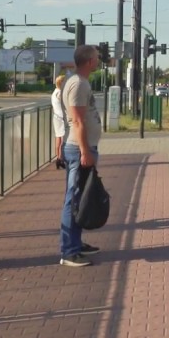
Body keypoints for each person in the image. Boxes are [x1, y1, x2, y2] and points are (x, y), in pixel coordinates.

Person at [59, 45, 103, 267]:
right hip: (78, 149)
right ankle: (69, 251)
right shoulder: (77, 84)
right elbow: (77, 121)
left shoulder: (80, 82)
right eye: (97, 57)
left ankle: (76, 243)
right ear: (88, 61)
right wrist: (85, 151)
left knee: (79, 197)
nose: (99, 60)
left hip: (83, 148)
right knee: (74, 198)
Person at [51, 74, 69, 169]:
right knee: (63, 138)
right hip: (62, 118)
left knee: (58, 137)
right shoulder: (60, 93)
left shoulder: (54, 92)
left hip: (56, 117)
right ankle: (61, 158)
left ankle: (58, 158)